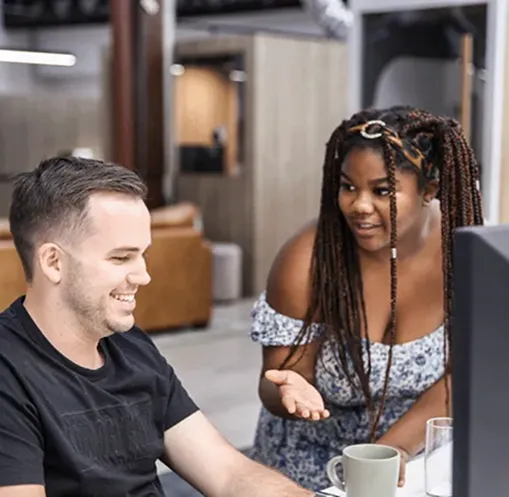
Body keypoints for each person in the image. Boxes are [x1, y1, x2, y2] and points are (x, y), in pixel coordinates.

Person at [0, 156, 315, 497]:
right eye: (121, 258)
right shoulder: (8, 371)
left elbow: (227, 473)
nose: (143, 276)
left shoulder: (129, 345)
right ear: (53, 261)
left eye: (143, 255)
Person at [248, 106, 484, 491]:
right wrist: (287, 390)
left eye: (382, 190)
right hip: (310, 467)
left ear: (429, 190)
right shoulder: (306, 261)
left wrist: (389, 453)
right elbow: (274, 382)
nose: (359, 205)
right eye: (347, 186)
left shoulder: (461, 251)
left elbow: (460, 378)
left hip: (412, 458)